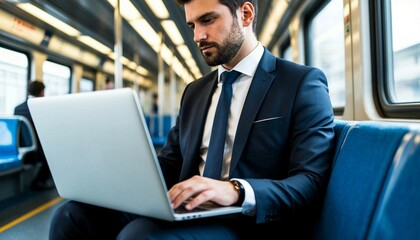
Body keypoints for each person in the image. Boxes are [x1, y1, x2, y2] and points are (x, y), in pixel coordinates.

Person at [49, 0, 335, 239]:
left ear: (245, 14)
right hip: (190, 209)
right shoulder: (195, 92)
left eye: (208, 20)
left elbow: (309, 181)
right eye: (192, 25)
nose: (197, 35)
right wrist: (119, 174)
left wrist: (235, 190)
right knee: (70, 215)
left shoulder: (300, 83)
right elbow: (171, 163)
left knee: (140, 235)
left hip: (249, 220)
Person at [14, 80, 54, 191]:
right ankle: (41, 181)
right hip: (35, 151)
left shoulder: (17, 108)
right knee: (52, 153)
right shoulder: (42, 108)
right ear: (42, 92)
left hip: (20, 147)